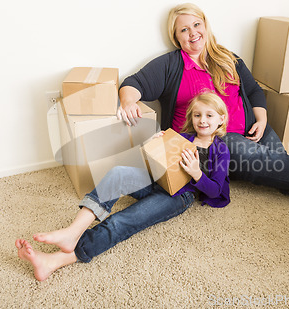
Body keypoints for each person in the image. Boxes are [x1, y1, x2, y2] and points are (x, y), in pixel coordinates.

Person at [117, 3, 289, 213]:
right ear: (176, 37)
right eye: (184, 30)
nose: (193, 32)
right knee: (272, 164)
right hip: (214, 143)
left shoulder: (228, 58)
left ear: (205, 26)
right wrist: (128, 101)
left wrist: (262, 120)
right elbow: (133, 83)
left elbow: (254, 91)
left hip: (251, 129)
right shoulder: (170, 65)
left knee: (277, 166)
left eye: (197, 24)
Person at [16, 92, 231, 281]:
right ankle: (73, 231)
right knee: (118, 173)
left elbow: (215, 190)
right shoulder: (181, 138)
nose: (202, 120)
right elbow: (158, 163)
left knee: (123, 220)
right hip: (156, 180)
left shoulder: (221, 150)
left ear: (221, 119)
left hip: (178, 196)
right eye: (197, 115)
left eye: (209, 115)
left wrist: (196, 172)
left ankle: (55, 261)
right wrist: (155, 144)